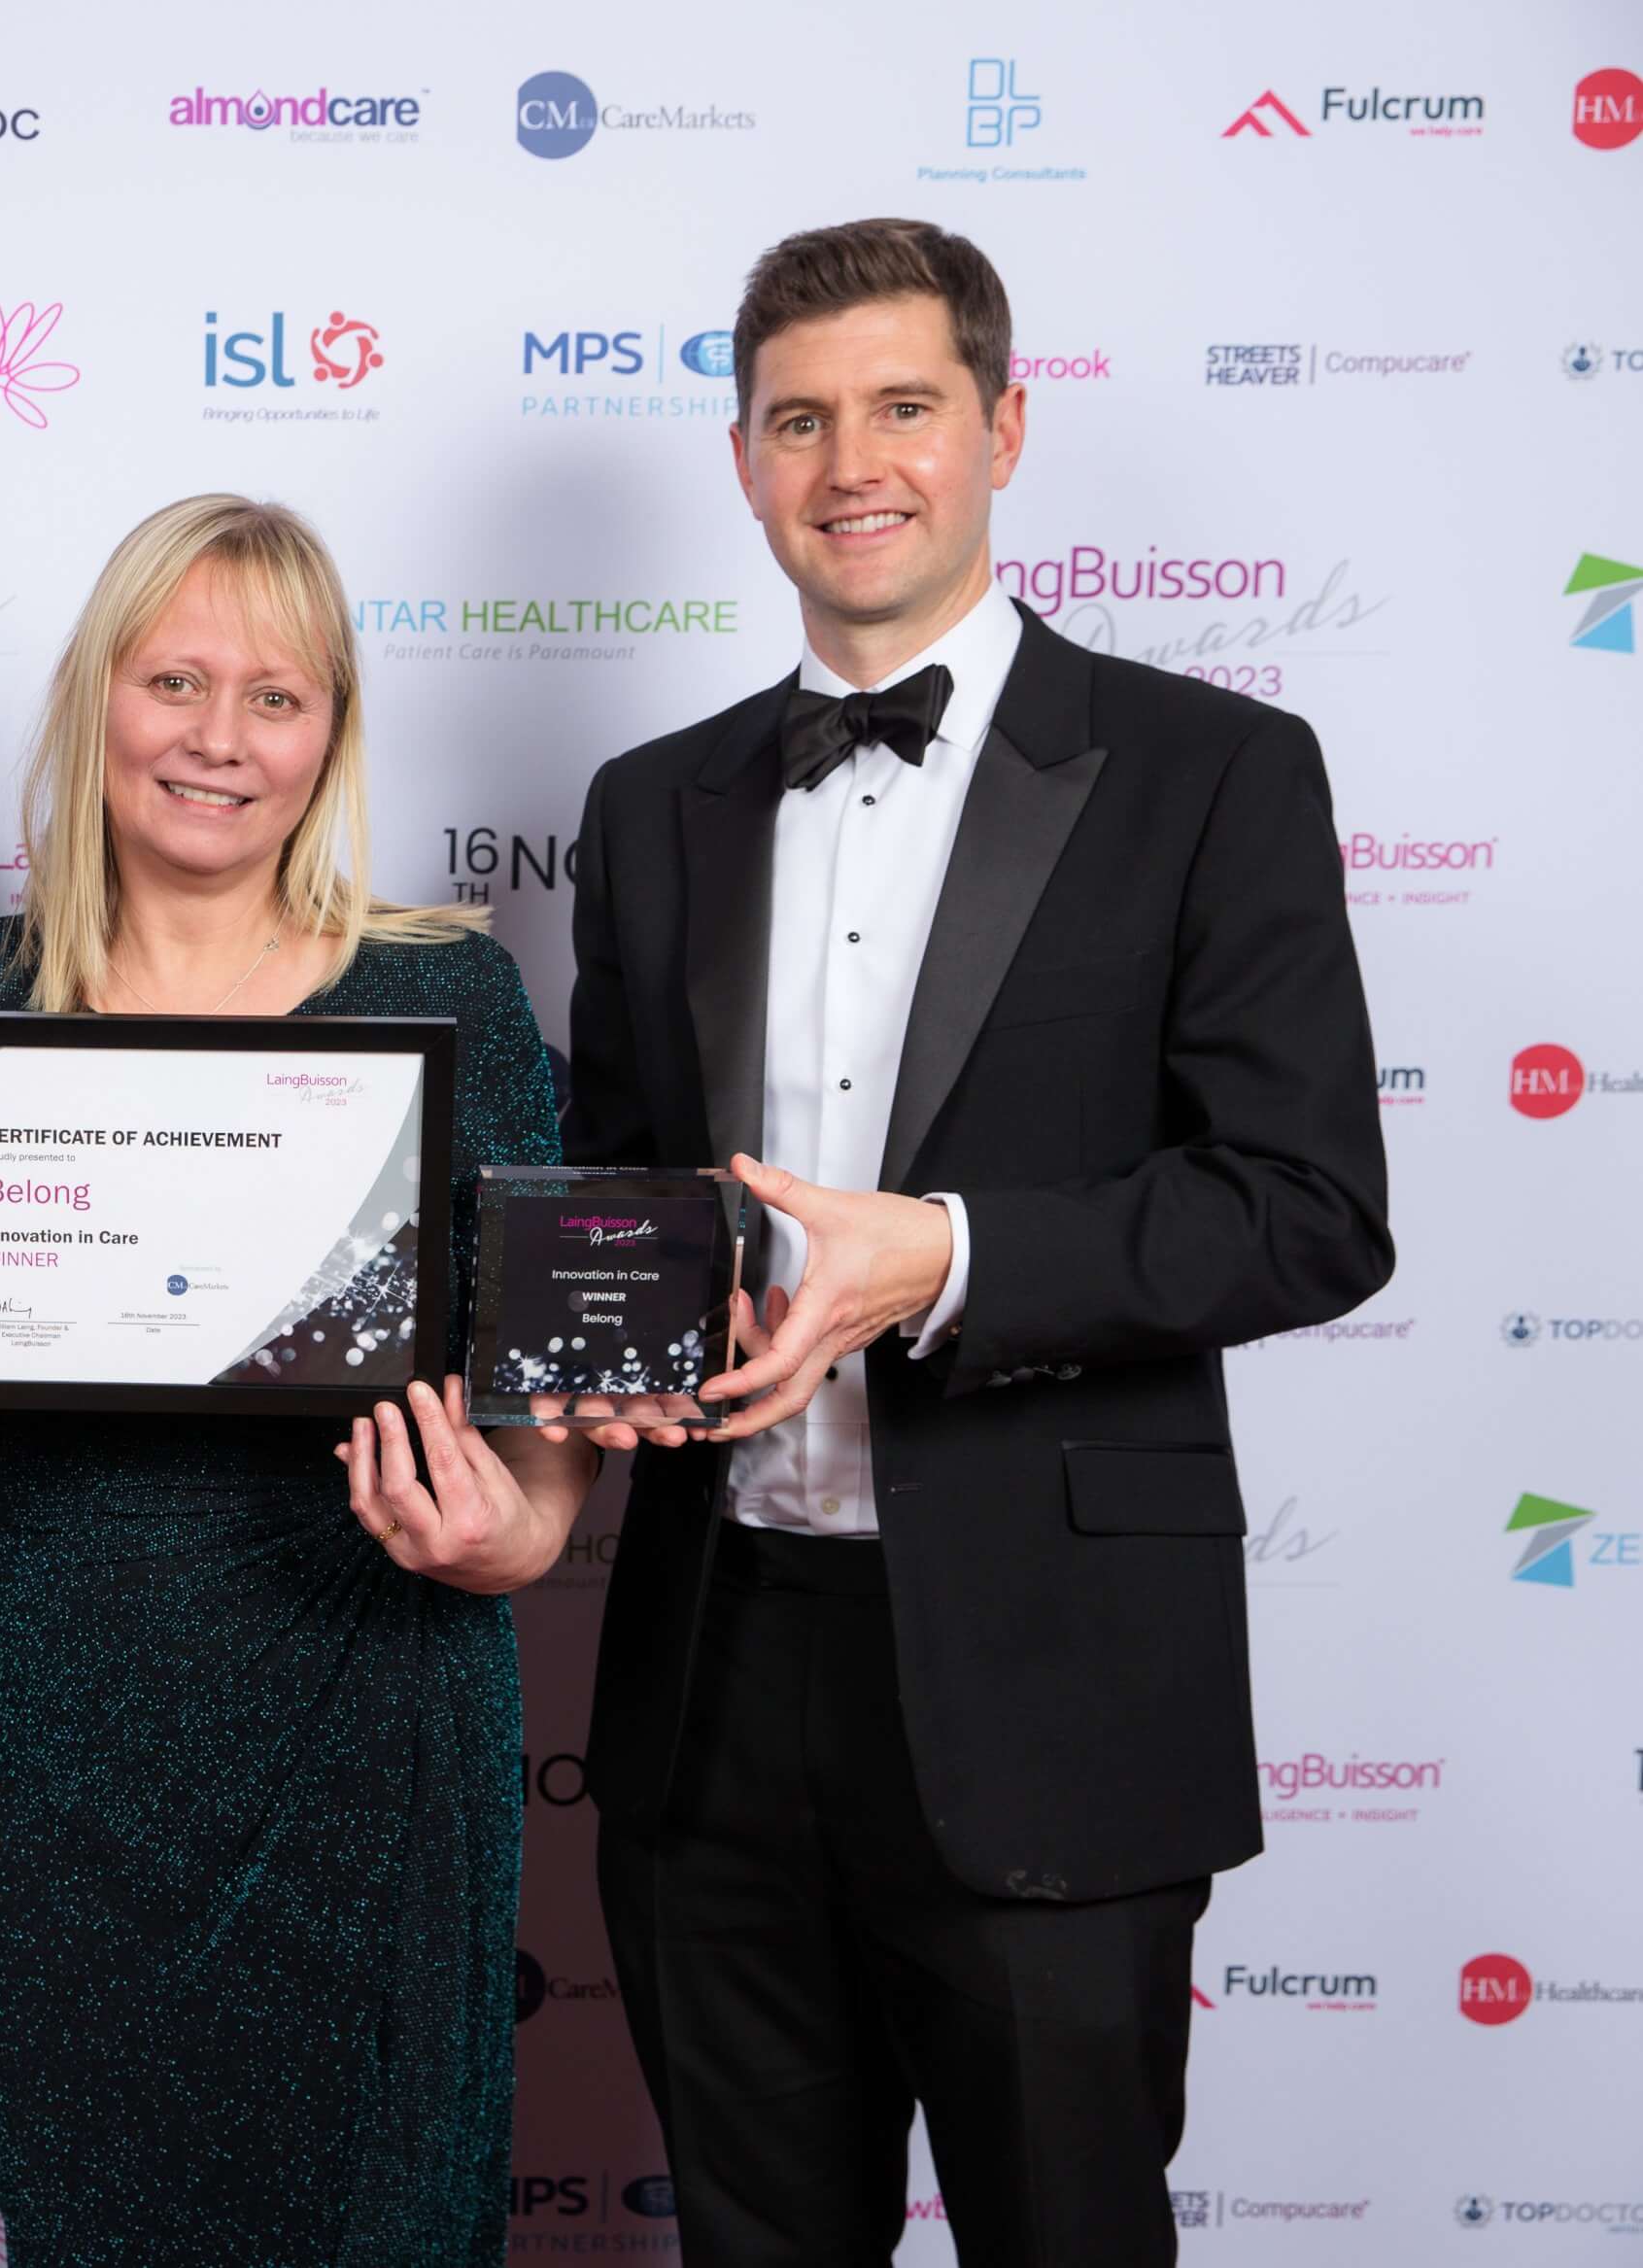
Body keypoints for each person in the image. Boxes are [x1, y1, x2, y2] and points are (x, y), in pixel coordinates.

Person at [564, 219, 1391, 2267]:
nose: (854, 460)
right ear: (743, 461)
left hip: (1057, 1687)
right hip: (711, 1681)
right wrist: (586, 1345)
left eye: (905, 407)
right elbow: (620, 1192)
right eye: (798, 418)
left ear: (1003, 429)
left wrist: (933, 1257)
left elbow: (1307, 1210)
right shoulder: (649, 802)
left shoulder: (1213, 771)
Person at [0, 494, 599, 2262]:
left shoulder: (456, 1000)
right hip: (60, 1724)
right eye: (175, 679)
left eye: (279, 696)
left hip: (375, 1710)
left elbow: (539, 1434)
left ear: (331, 737)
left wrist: (513, 1535)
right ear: (98, 698)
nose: (221, 738)